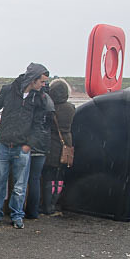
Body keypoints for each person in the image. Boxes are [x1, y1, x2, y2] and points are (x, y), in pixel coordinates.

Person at [0, 63, 50, 229]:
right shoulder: (8, 90)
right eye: (42, 81)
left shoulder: (39, 98)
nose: (44, 85)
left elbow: (39, 125)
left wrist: (28, 145)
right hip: (4, 145)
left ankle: (17, 215)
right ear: (33, 79)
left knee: (20, 186)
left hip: (22, 147)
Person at [42, 78, 75, 215]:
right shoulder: (71, 108)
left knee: (48, 176)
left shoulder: (49, 107)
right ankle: (55, 204)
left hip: (52, 142)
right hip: (66, 144)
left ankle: (47, 206)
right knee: (60, 176)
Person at [24, 84, 54, 219]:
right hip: (43, 144)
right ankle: (33, 211)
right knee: (35, 179)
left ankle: (25, 210)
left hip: (32, 143)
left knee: (25, 179)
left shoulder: (35, 99)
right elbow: (48, 124)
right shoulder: (49, 101)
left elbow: (32, 123)